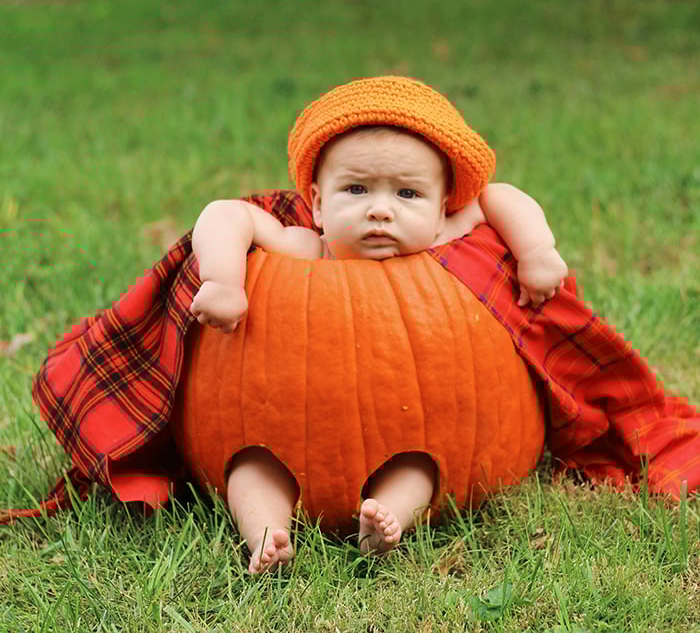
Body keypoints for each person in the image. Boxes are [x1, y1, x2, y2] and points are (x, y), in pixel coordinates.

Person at [188, 77, 568, 574]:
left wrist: (538, 252)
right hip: (277, 427)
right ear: (319, 205)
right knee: (251, 466)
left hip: (409, 431)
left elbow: (500, 197)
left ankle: (388, 518)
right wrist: (223, 281)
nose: (381, 208)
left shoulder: (440, 244)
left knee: (418, 468)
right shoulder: (301, 247)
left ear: (440, 211)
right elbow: (226, 214)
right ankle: (265, 534)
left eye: (408, 193)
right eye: (356, 188)